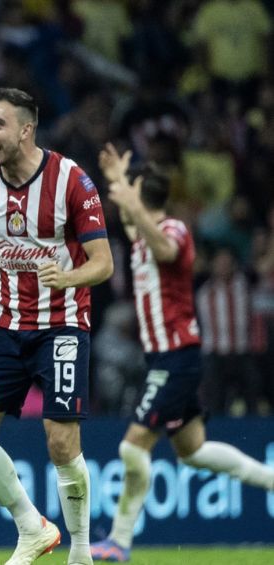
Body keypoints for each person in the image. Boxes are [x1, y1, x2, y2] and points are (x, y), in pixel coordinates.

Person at [89, 145, 274, 562]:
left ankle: (119, 541)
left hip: (177, 357)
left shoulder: (173, 230)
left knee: (131, 447)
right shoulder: (140, 234)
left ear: (143, 198)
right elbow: (135, 226)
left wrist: (130, 194)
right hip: (164, 358)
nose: (121, 208)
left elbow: (165, 251)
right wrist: (118, 179)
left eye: (129, 198)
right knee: (193, 452)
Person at [0, 87, 114, 565]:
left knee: (61, 441)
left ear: (27, 129)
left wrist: (67, 277)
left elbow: (103, 264)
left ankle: (81, 551)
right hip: (4, 327)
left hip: (63, 324)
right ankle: (31, 527)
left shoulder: (72, 181)